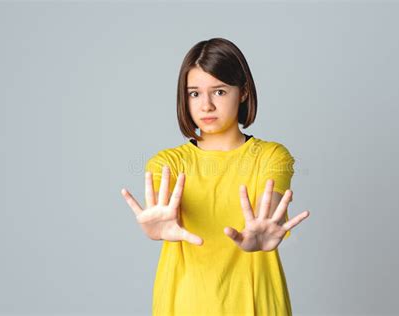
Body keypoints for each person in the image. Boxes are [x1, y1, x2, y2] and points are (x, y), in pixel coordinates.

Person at [121, 37, 310, 315]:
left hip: (256, 305)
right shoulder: (167, 162)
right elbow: (161, 205)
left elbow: (271, 207)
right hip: (185, 304)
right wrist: (158, 225)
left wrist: (267, 228)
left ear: (243, 92)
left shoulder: (272, 156)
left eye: (219, 92)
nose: (206, 105)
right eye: (194, 93)